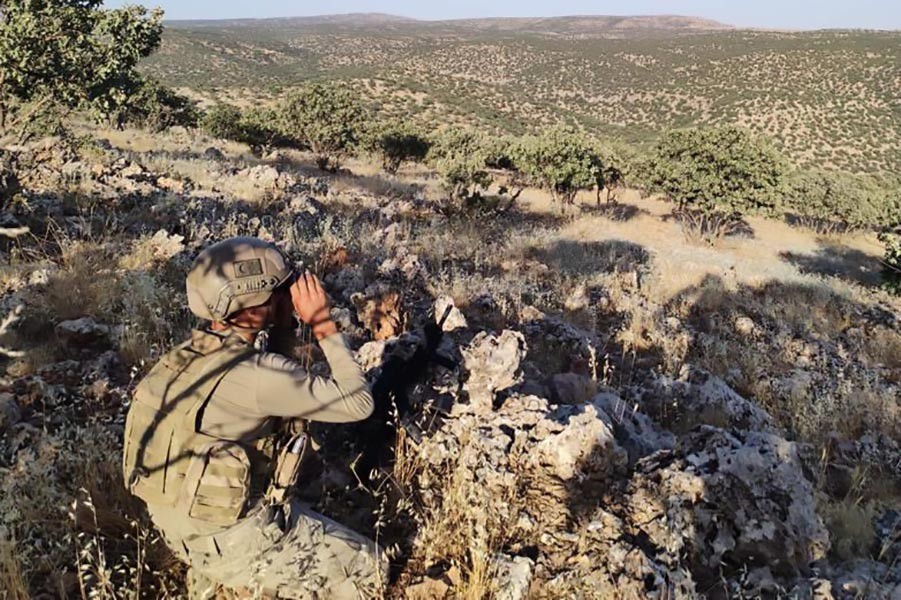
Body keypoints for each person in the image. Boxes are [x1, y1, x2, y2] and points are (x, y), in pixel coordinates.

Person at [122, 237, 386, 599]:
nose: (289, 295)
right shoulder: (258, 374)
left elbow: (274, 390)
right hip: (230, 543)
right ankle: (243, 577)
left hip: (177, 531)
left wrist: (282, 324)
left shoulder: (186, 354)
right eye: (279, 290)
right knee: (372, 569)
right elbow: (358, 403)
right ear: (252, 303)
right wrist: (322, 323)